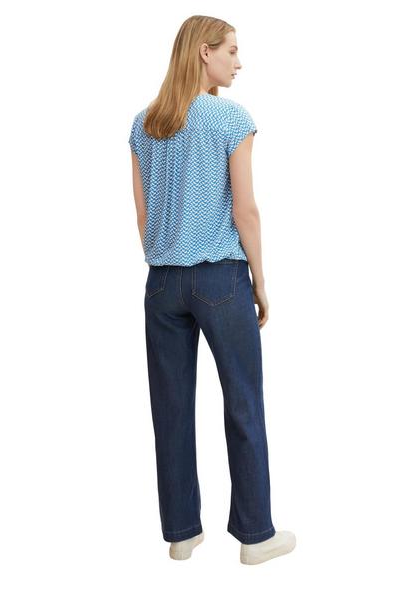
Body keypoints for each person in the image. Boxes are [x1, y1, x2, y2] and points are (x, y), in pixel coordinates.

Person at [128, 15, 296, 565]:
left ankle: (181, 533)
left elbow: (144, 216)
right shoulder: (229, 118)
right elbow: (245, 209)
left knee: (170, 409)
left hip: (161, 283)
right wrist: (260, 280)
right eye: (231, 51)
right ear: (205, 52)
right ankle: (256, 537)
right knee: (243, 401)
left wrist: (167, 259)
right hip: (221, 278)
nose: (238, 62)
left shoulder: (145, 123)